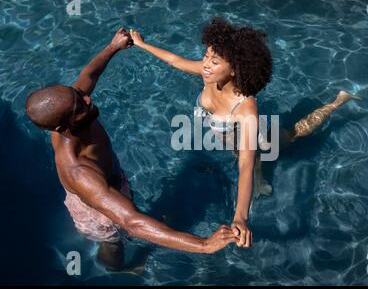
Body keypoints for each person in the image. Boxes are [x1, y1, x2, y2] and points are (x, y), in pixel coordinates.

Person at [129, 18, 362, 249]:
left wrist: (240, 217)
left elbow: (244, 166)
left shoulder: (245, 110)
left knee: (291, 136)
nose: (206, 64)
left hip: (252, 141)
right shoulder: (210, 74)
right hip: (229, 138)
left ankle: (336, 103)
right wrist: (142, 45)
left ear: (234, 70)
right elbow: (175, 60)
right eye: (207, 55)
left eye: (215, 61)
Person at [25, 27, 239, 271]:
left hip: (112, 181)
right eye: (80, 105)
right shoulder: (78, 170)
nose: (87, 99)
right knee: (114, 242)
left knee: (133, 210)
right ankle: (117, 268)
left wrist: (113, 47)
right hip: (97, 211)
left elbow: (89, 74)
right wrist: (203, 245)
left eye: (78, 94)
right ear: (64, 127)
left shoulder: (72, 108)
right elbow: (131, 222)